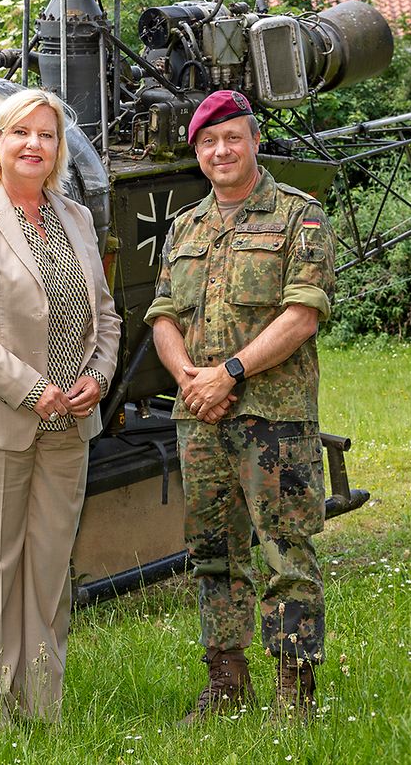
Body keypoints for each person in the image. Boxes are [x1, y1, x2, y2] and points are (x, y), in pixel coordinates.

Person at [0, 88, 121, 724]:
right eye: (22, 133)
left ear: (59, 149)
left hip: (71, 419)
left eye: (48, 134)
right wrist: (32, 390)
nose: (35, 144)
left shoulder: (78, 220)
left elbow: (107, 316)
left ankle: (44, 705)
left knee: (49, 569)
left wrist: (97, 376)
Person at [144, 90, 335, 721]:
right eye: (207, 142)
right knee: (213, 553)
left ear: (254, 141)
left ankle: (294, 691)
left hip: (272, 417)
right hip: (200, 417)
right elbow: (163, 316)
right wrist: (191, 380)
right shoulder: (187, 227)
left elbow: (302, 315)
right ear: (197, 153)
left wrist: (228, 373)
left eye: (232, 137)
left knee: (286, 551)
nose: (220, 151)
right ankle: (226, 681)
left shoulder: (298, 217)